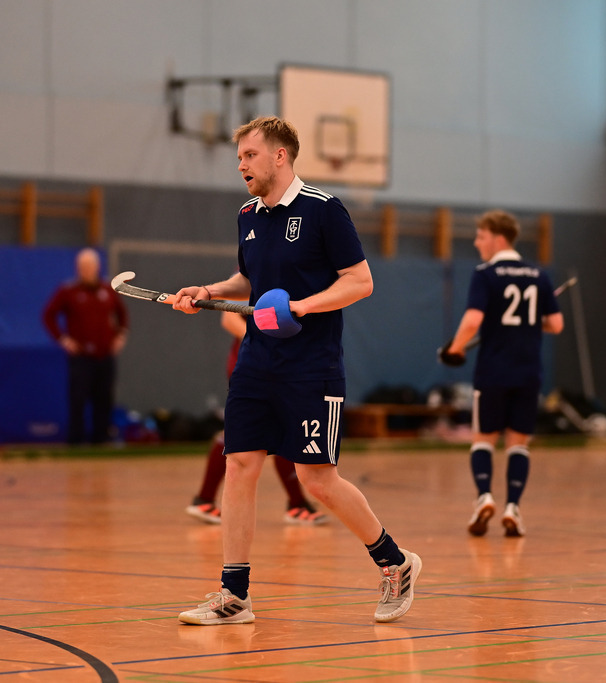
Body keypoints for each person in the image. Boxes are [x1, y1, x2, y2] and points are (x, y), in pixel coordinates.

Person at [170, 116, 421, 625]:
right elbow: (250, 277)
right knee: (239, 465)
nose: (241, 164)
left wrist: (304, 306)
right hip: (257, 362)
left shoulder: (325, 211)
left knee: (318, 481)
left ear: (280, 156)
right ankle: (234, 594)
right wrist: (210, 292)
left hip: (313, 366)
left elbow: (360, 281)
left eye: (250, 156)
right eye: (239, 157)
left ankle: (395, 562)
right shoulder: (247, 215)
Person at [441, 210, 564, 538]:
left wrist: (455, 348)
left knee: (483, 439)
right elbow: (556, 324)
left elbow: (472, 321)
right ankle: (513, 507)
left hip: (493, 371)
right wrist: (530, 320)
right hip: (528, 373)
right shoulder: (539, 275)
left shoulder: (486, 274)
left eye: (480, 236)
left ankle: (484, 497)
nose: (476, 242)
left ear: (498, 238)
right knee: (518, 444)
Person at [186, 308, 329, 526]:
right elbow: (229, 317)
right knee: (276, 427)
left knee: (274, 428)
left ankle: (204, 499)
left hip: (276, 362)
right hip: (256, 363)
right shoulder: (254, 274)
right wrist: (260, 342)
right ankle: (297, 504)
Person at [43, 248, 129, 445]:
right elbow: (49, 316)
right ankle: (76, 441)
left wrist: (120, 335)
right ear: (77, 268)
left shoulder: (107, 290)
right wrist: (64, 339)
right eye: (82, 267)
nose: (86, 270)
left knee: (104, 399)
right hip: (81, 357)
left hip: (104, 355)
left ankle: (102, 439)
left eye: (90, 266)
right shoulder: (68, 291)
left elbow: (122, 314)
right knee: (78, 400)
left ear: (97, 267)